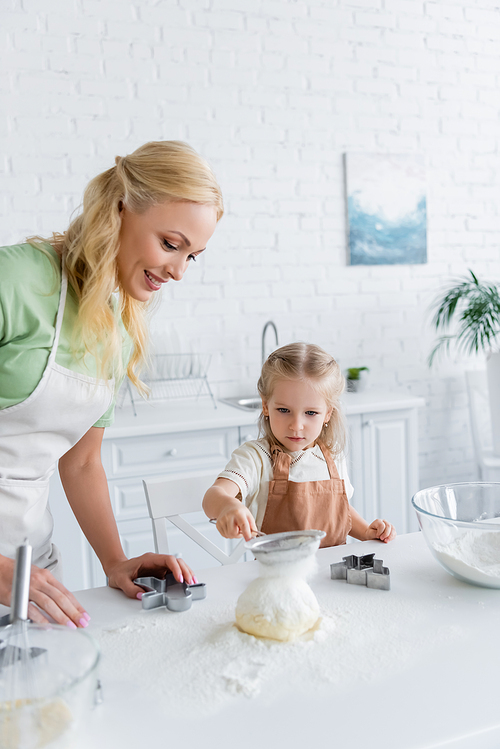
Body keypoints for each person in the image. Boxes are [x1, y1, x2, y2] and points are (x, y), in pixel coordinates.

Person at [0, 140, 223, 628]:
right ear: (120, 210)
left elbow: (80, 461)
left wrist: (115, 561)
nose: (179, 271)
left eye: (194, 256)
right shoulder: (13, 280)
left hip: (33, 571)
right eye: (170, 244)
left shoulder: (118, 325)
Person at [203, 342, 396, 547]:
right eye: (284, 410)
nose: (296, 426)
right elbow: (213, 496)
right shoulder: (255, 457)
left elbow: (341, 509)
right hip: (278, 575)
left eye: (311, 413)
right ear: (266, 406)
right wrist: (228, 507)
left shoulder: (332, 456)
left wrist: (366, 531)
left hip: (333, 574)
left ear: (327, 413)